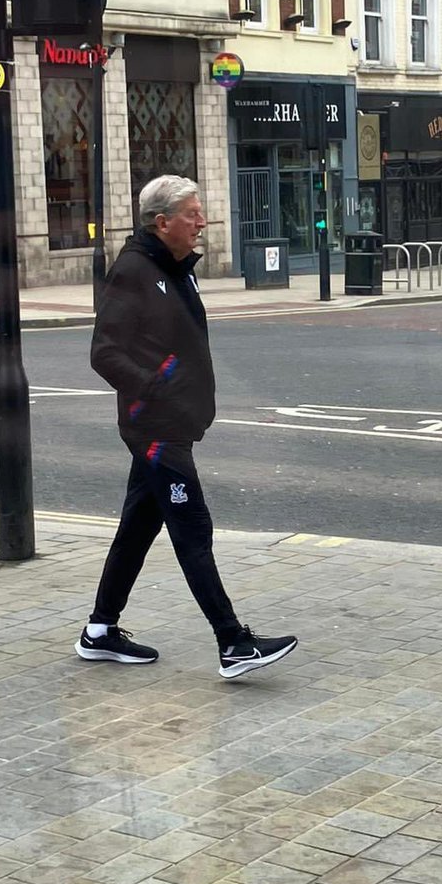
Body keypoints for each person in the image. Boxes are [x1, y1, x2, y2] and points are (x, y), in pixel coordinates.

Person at [76, 174, 297, 679]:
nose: (202, 222)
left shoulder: (177, 269)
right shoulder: (133, 272)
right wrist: (153, 387)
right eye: (192, 214)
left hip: (173, 424)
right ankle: (234, 642)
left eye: (201, 212)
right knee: (193, 529)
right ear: (162, 223)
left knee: (137, 528)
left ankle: (100, 631)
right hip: (154, 429)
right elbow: (104, 352)